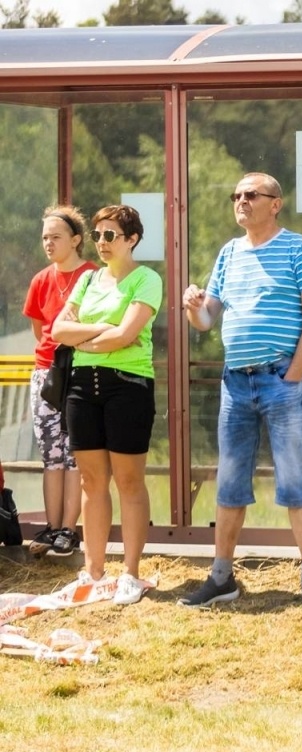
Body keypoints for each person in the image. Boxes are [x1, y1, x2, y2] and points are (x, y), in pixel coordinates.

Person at [180, 172, 302, 610]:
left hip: (279, 379)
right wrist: (194, 308)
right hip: (235, 381)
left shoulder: (300, 249)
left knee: (295, 481)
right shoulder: (229, 252)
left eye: (251, 195)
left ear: (275, 204)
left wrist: (292, 376)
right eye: (237, 195)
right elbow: (207, 320)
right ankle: (222, 577)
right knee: (229, 482)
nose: (241, 201)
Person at [49, 204, 162, 606]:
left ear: (131, 239)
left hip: (128, 385)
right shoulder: (89, 280)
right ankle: (93, 572)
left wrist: (89, 338)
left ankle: (131, 573)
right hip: (82, 385)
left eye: (110, 235)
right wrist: (100, 331)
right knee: (90, 481)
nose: (102, 242)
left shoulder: (147, 278)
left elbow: (128, 334)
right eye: (98, 235)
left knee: (129, 480)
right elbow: (59, 330)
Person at [23, 204, 93, 557]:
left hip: (80, 371)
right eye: (45, 237)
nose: (49, 243)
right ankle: (52, 529)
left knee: (76, 455)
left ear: (76, 239)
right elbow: (41, 330)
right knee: (51, 455)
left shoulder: (92, 275)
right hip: (46, 373)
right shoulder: (40, 280)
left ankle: (70, 529)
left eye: (56, 236)